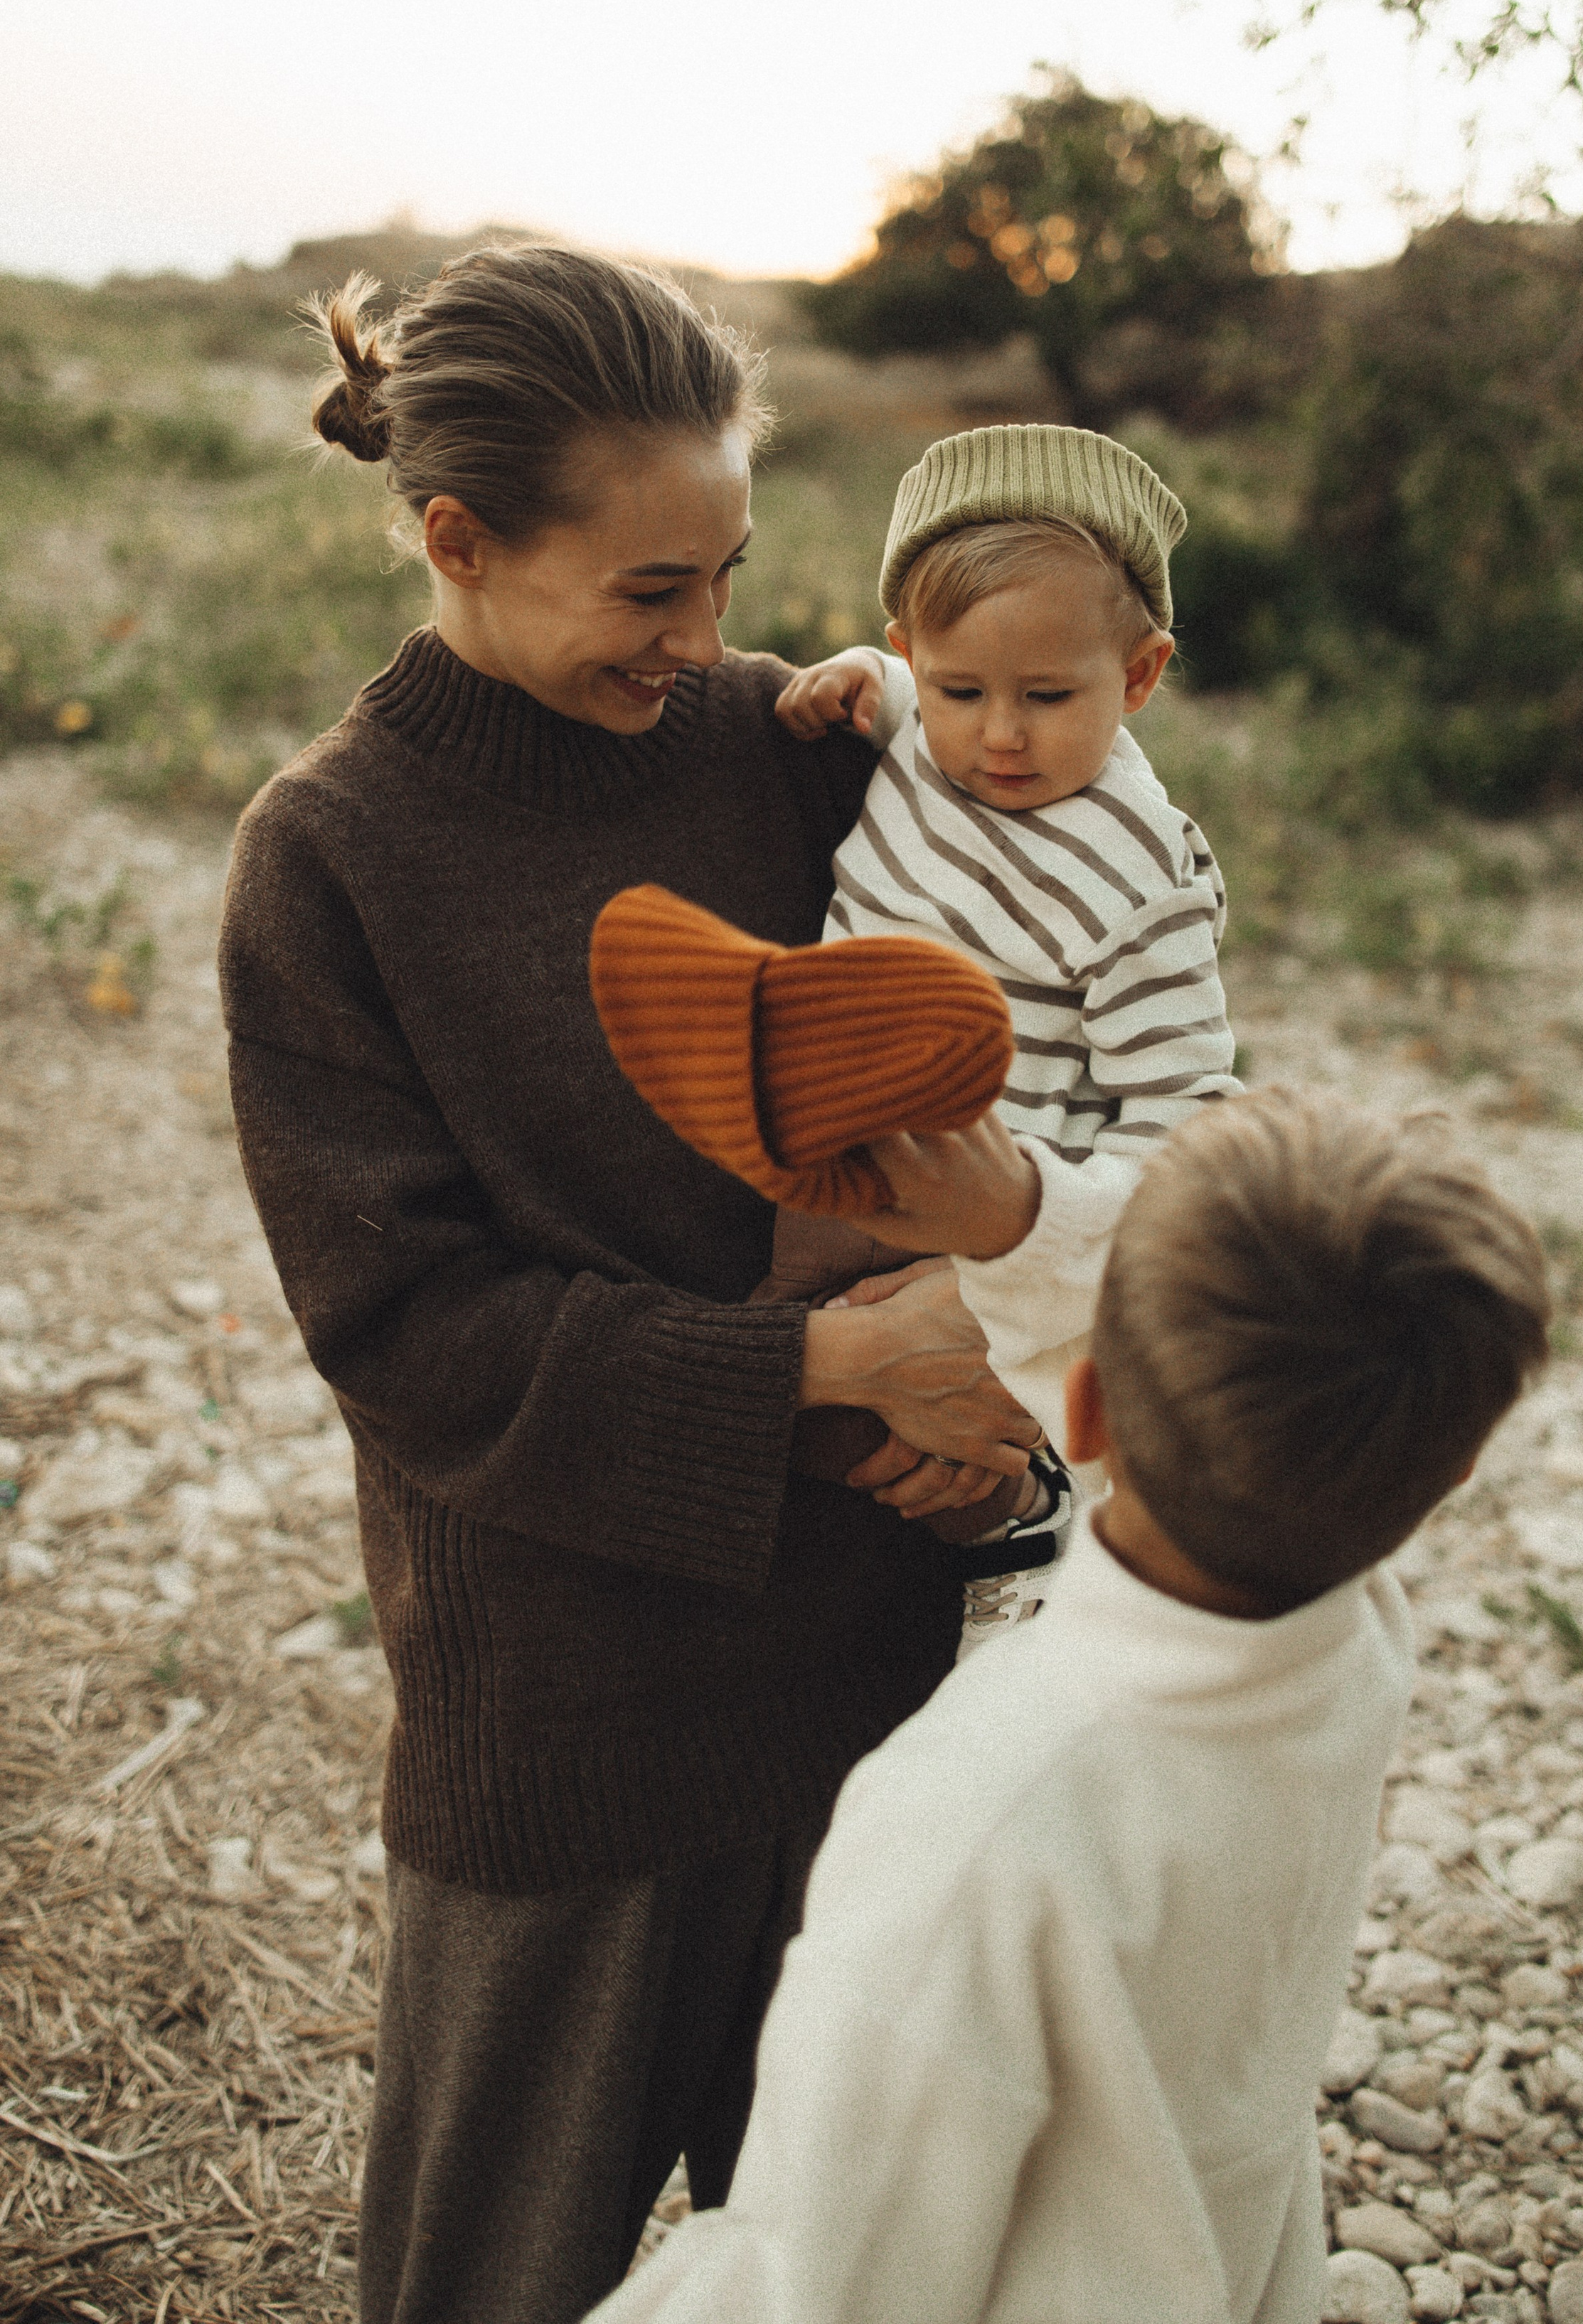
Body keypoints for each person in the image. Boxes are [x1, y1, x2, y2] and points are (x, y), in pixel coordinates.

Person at [215, 243, 1046, 2324]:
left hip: (877, 1676)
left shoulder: (790, 746)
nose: (714, 641)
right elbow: (404, 1333)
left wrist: (994, 1380)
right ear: (459, 541)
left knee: (867, 2281)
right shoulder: (328, 859)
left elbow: (1032, 1050)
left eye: (735, 574)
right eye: (651, 592)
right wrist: (818, 1370)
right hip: (571, 1725)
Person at [587, 1087, 1552, 2324]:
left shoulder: (980, 1810)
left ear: (1075, 1406)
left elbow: (815, 2283)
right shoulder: (1353, 1642)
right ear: (1456, 1468)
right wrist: (1021, 1223)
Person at [770, 424, 1242, 1640]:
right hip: (833, 1153)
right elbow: (883, 691)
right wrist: (846, 680)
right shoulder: (915, 724)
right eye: (961, 691)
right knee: (792, 1382)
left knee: (965, 1423)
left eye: (1049, 696)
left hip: (993, 1214)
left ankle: (1033, 1534)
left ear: (1138, 677)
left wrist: (1037, 1237)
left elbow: (1182, 1111)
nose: (999, 737)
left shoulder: (1141, 876)